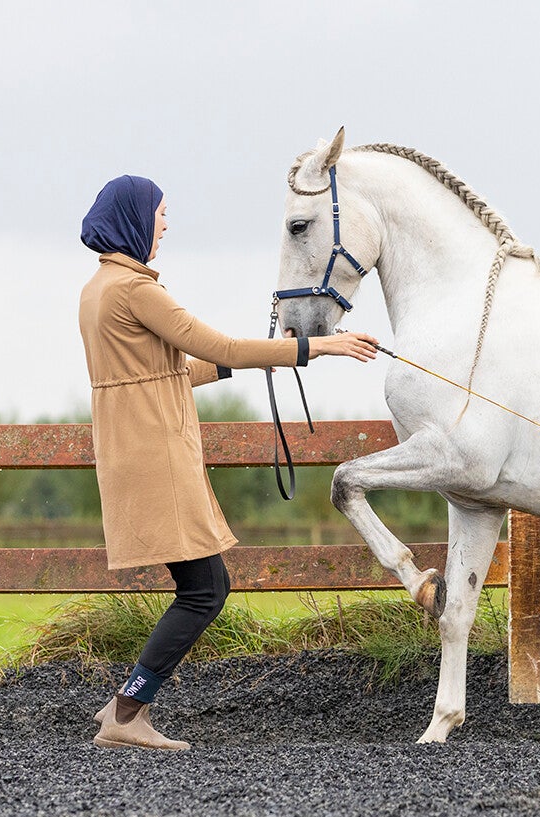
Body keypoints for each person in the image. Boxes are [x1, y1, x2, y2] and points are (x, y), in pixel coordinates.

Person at [78, 174, 377, 750]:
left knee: (201, 585)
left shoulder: (98, 289)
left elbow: (165, 374)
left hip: (132, 449)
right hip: (156, 454)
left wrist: (252, 363)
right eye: (160, 216)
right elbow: (218, 346)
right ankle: (127, 713)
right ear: (136, 219)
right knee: (206, 590)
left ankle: (123, 704)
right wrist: (316, 346)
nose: (164, 227)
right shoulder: (136, 291)